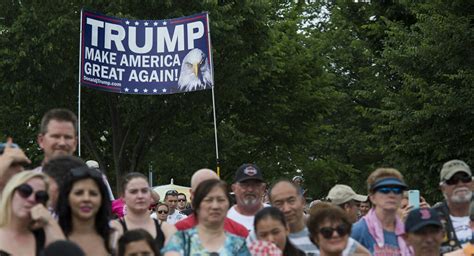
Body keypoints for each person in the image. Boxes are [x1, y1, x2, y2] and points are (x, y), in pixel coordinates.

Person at [270, 180, 369, 255]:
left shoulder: (330, 233)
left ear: (302, 202)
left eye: (291, 200)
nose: (286, 208)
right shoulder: (264, 237)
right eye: (278, 203)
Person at [161, 179, 250, 255]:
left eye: (221, 200)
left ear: (228, 204)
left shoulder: (239, 244)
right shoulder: (180, 241)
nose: (215, 206)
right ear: (197, 205)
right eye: (208, 200)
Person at [0, 171, 64, 255]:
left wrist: (49, 222)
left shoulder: (43, 236)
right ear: (11, 193)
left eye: (40, 196)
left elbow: (65, 252)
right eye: (25, 191)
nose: (32, 199)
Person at [351, 167, 411, 255]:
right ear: (372, 197)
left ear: (401, 196)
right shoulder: (358, 231)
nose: (391, 194)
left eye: (397, 190)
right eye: (384, 190)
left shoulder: (409, 232)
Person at [174, 168, 248, 238]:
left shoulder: (239, 232)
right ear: (192, 194)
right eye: (207, 197)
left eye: (220, 199)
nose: (214, 206)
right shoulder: (179, 231)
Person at [111, 172, 176, 251]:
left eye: (144, 191)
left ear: (150, 195)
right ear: (123, 196)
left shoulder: (167, 229)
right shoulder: (113, 229)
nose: (140, 196)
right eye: (133, 191)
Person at [56, 166, 114, 255]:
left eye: (93, 193)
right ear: (66, 197)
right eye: (79, 193)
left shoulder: (114, 239)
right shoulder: (52, 237)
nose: (86, 199)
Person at [433, 159, 473, 254]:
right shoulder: (432, 219)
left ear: (473, 183)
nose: (460, 184)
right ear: (443, 188)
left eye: (465, 178)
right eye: (453, 180)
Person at [227, 163, 266, 232]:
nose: (250, 189)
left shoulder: (276, 215)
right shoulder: (225, 219)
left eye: (255, 185)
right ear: (234, 188)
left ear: (263, 189)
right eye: (244, 185)